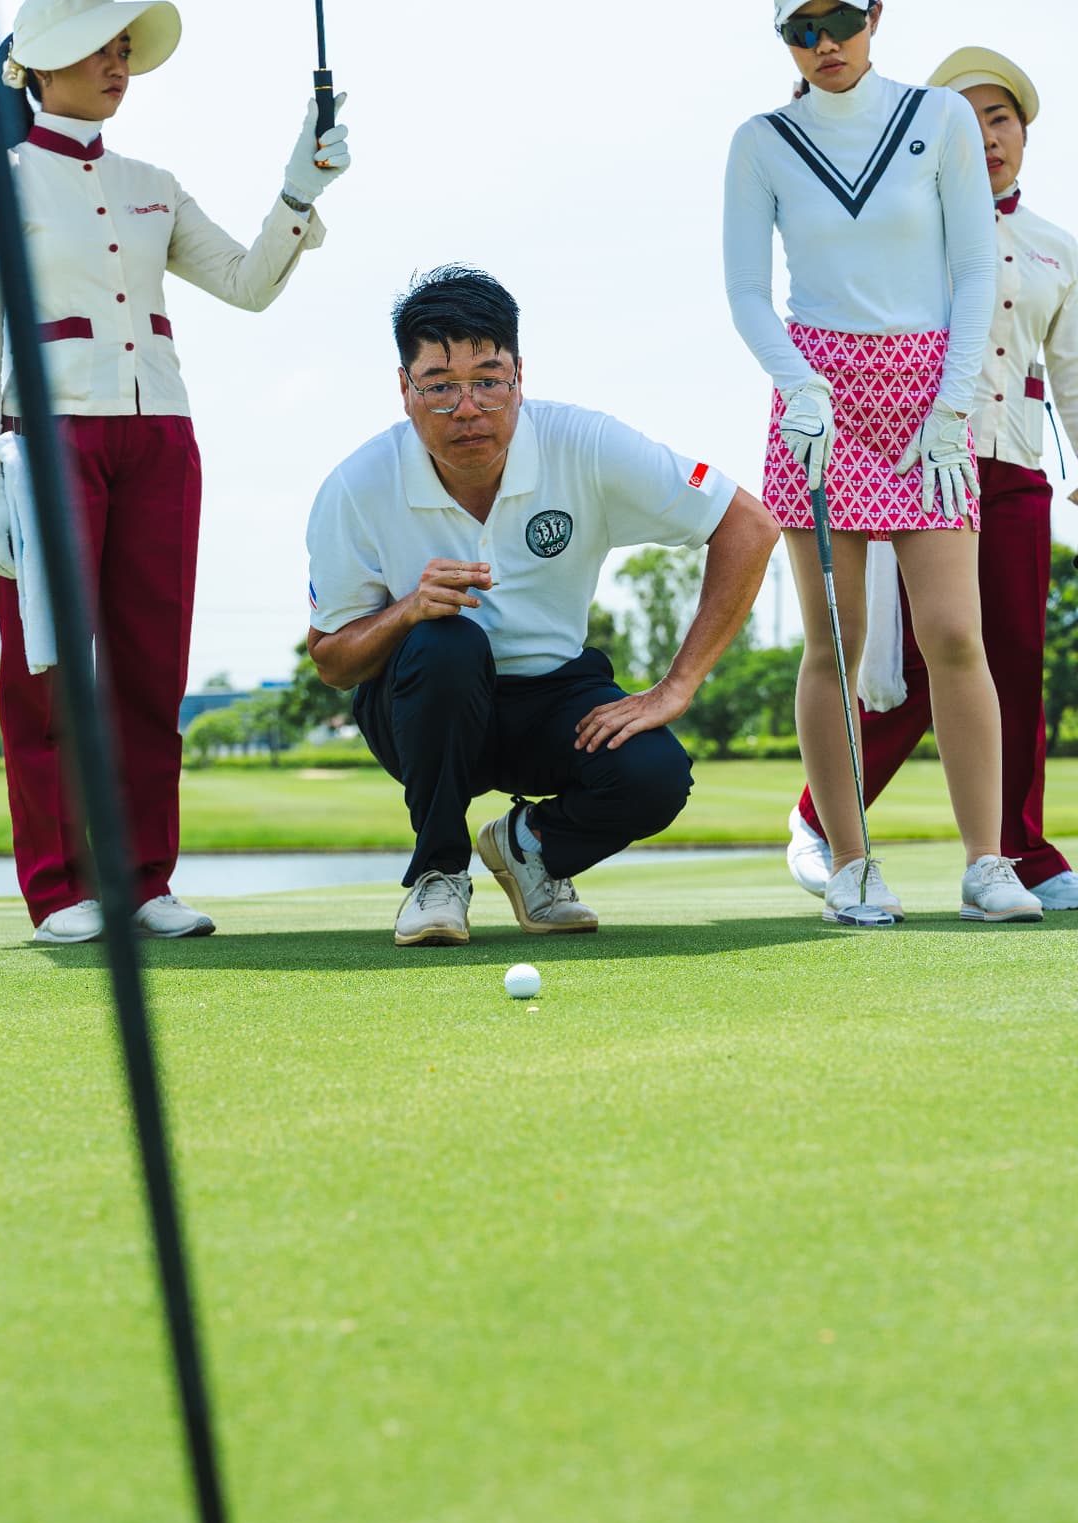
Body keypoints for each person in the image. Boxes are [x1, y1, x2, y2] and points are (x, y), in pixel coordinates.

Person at [0, 0, 351, 942]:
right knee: (43, 673)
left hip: (160, 437)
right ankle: (57, 891)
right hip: (46, 441)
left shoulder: (152, 183)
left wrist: (301, 189)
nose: (118, 63)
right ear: (40, 65)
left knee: (149, 667)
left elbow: (250, 284)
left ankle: (144, 882)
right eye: (99, 47)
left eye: (124, 48)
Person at [304, 266, 778, 947]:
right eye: (439, 387)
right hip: (422, 705)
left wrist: (678, 685)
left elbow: (749, 525)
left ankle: (529, 850)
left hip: (555, 696)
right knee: (446, 643)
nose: (466, 408)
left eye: (488, 381)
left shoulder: (583, 443)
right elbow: (331, 661)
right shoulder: (356, 485)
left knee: (657, 774)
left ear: (520, 378)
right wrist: (407, 610)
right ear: (404, 391)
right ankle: (439, 875)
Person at [724, 0, 1042, 922]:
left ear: (875, 17)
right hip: (815, 398)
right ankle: (852, 865)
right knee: (837, 639)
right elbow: (747, 290)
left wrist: (951, 408)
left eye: (840, 20)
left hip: (926, 395)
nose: (824, 44)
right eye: (800, 29)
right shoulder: (762, 142)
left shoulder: (936, 117)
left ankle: (988, 864)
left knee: (953, 633)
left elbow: (976, 269)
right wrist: (800, 384)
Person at [787, 46, 1078, 912]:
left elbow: (1071, 373)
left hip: (1015, 465)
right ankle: (821, 818)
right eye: (968, 118)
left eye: (1002, 118)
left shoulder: (1058, 248)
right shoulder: (906, 226)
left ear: (1024, 132)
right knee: (922, 660)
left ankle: (1019, 853)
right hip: (911, 465)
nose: (987, 136)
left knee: (1017, 657)